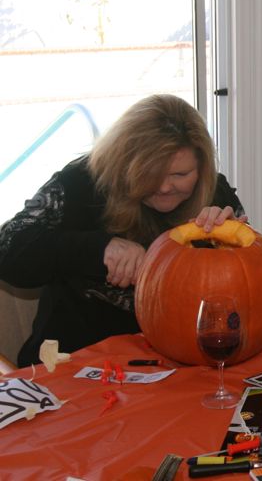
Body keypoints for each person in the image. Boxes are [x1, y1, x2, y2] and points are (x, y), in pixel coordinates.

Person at [0, 94, 246, 366]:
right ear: (125, 163)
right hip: (75, 364)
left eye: (180, 175)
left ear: (201, 168)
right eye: (150, 174)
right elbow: (9, 250)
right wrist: (97, 249)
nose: (165, 187)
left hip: (181, 363)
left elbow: (252, 283)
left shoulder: (214, 192)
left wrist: (231, 243)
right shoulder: (82, 182)